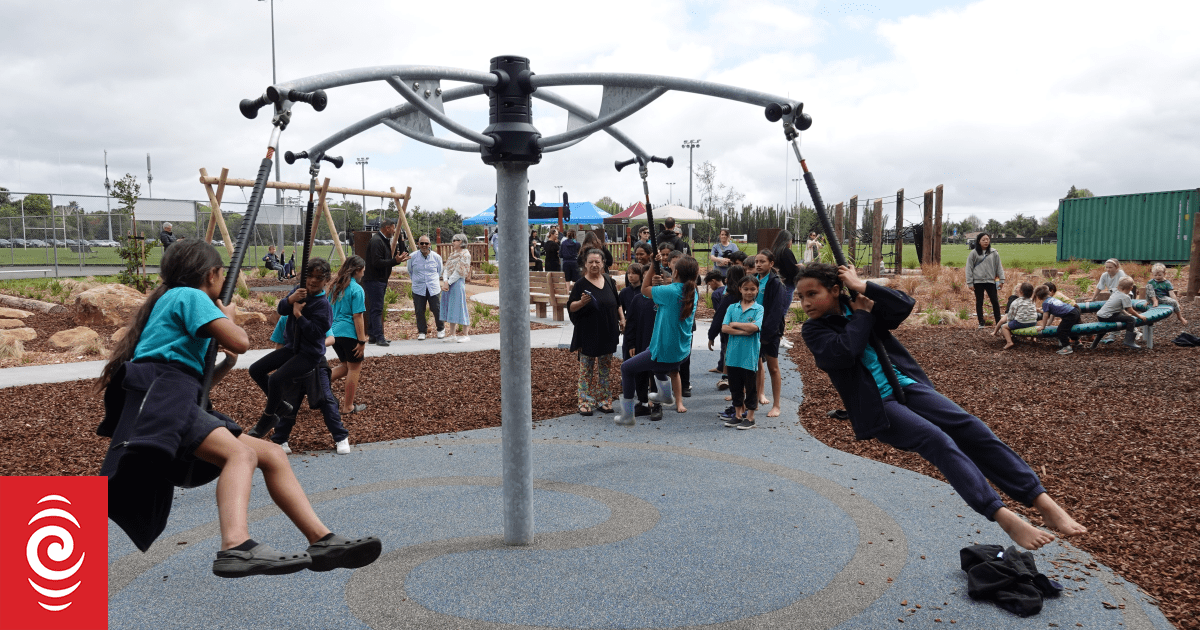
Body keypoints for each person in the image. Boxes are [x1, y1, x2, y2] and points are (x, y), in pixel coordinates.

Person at [95, 239, 380, 575]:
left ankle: (322, 540)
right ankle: (235, 544)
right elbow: (242, 342)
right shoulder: (189, 295)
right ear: (213, 274)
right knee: (241, 455)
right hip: (164, 400)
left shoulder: (173, 300)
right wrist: (226, 317)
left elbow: (197, 385)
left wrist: (225, 365)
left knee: (271, 454)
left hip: (174, 399)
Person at [797, 262, 1087, 550]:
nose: (806, 302)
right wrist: (861, 315)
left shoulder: (859, 302)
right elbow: (844, 352)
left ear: (835, 290)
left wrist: (862, 286)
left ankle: (1041, 501)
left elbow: (903, 305)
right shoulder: (815, 330)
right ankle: (1004, 517)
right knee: (936, 440)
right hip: (877, 406)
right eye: (801, 297)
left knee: (971, 427)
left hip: (906, 385)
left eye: (812, 294)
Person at [248, 258, 334, 439]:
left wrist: (298, 315)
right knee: (255, 369)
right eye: (309, 276)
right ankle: (280, 405)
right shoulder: (299, 291)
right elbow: (281, 309)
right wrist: (290, 300)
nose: (313, 281)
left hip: (309, 354)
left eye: (319, 278)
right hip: (292, 348)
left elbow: (316, 333)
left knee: (275, 380)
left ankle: (268, 418)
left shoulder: (323, 305)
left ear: (326, 280)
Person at [613, 256, 699, 426]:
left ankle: (627, 415)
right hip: (680, 352)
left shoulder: (671, 291)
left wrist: (653, 265)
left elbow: (644, 289)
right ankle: (666, 395)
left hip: (663, 351)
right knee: (655, 364)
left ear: (675, 273)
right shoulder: (692, 291)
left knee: (627, 368)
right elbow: (665, 292)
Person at [267, 316, 350, 454]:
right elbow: (279, 345)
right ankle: (280, 440)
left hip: (316, 363)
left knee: (326, 399)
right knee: (288, 402)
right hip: (292, 364)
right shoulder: (285, 318)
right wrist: (279, 369)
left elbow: (331, 338)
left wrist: (315, 345)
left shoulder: (318, 313)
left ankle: (341, 437)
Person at [568, 249, 622, 416]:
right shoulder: (580, 284)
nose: (594, 265)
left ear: (603, 263)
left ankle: (605, 400)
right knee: (586, 370)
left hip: (608, 331)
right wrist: (581, 302)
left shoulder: (608, 280)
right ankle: (584, 401)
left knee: (605, 370)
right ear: (585, 264)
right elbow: (571, 307)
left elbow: (617, 302)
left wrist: (622, 319)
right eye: (590, 262)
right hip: (588, 334)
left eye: (597, 262)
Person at [721, 275, 764, 429]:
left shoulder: (759, 308)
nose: (749, 292)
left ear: (757, 290)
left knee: (751, 387)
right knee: (735, 386)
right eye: (745, 289)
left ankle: (750, 418)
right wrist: (743, 331)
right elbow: (724, 327)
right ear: (740, 289)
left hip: (749, 356)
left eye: (752, 289)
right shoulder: (732, 307)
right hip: (733, 355)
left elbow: (755, 327)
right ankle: (738, 414)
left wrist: (736, 324)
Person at [327, 256, 369, 415]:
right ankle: (348, 406)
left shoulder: (335, 287)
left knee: (345, 367)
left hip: (334, 333)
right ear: (357, 270)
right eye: (363, 271)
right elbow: (357, 316)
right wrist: (361, 340)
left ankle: (317, 382)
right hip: (349, 333)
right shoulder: (357, 289)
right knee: (354, 368)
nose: (363, 275)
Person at [751, 250, 789, 418]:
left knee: (773, 367)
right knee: (756, 365)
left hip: (769, 332)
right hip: (753, 330)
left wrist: (766, 334)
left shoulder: (775, 283)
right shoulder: (754, 280)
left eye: (762, 261)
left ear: (771, 263)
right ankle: (757, 396)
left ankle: (776, 405)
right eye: (756, 261)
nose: (758, 264)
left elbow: (776, 311)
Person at [364, 220, 408, 346]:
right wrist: (394, 261)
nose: (394, 231)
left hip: (379, 279)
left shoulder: (381, 240)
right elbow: (376, 262)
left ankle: (373, 335)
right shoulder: (377, 241)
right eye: (394, 229)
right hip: (375, 280)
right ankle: (379, 337)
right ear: (387, 228)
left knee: (375, 308)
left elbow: (389, 260)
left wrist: (400, 243)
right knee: (377, 309)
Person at [710, 266, 747, 396]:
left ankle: (735, 390)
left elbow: (718, 317)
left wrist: (711, 335)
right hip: (748, 334)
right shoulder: (748, 297)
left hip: (730, 334)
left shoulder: (729, 297)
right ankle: (746, 389)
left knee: (731, 359)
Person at [408, 235, 445, 340]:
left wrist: (433, 280)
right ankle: (422, 331)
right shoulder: (412, 257)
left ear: (430, 245)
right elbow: (410, 271)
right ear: (418, 244)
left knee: (437, 309)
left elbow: (439, 271)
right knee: (419, 310)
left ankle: (441, 329)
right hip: (418, 288)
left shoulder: (436, 257)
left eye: (426, 243)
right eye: (422, 243)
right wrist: (417, 280)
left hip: (433, 287)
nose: (424, 245)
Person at [1096, 276, 1147, 350]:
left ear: (1118, 286)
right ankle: (1128, 341)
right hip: (1107, 316)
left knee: (1120, 317)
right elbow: (1131, 310)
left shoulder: (1116, 292)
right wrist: (1140, 316)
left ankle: (1096, 341)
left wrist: (1126, 314)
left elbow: (1120, 308)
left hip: (1100, 315)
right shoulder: (1125, 297)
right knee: (1131, 320)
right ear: (1131, 288)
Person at [966, 232, 1005, 328]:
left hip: (991, 281)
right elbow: (969, 268)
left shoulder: (994, 252)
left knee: (995, 301)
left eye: (987, 239)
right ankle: (981, 322)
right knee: (979, 301)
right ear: (979, 241)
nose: (986, 241)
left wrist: (1001, 280)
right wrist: (970, 282)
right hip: (978, 281)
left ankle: (998, 322)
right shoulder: (973, 253)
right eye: (983, 240)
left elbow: (998, 266)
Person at [441, 233, 473, 343]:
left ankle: (466, 334)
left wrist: (448, 283)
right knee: (451, 307)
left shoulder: (465, 254)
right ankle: (452, 334)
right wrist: (445, 281)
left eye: (455, 240)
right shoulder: (453, 254)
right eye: (453, 240)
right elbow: (446, 268)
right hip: (448, 283)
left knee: (460, 306)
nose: (453, 242)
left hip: (457, 283)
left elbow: (459, 272)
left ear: (461, 241)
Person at [772, 230, 801, 350]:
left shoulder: (775, 251)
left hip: (779, 283)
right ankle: (778, 338)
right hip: (787, 284)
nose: (791, 242)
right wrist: (800, 267)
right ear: (787, 240)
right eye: (791, 240)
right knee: (782, 312)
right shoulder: (786, 252)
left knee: (779, 311)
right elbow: (792, 270)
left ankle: (778, 336)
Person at [1035, 284, 1081, 355]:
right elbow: (1050, 311)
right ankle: (1076, 341)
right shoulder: (1053, 299)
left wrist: (1043, 326)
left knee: (1061, 331)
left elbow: (1045, 315)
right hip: (1075, 311)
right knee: (1069, 328)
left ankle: (1067, 347)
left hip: (1069, 315)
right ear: (1049, 293)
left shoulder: (1045, 303)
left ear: (1039, 297)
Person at [999, 282, 1038, 350]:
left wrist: (1009, 322)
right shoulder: (1032, 301)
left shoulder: (1016, 301)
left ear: (1021, 292)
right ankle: (1032, 339)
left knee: (1004, 327)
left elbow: (1011, 315)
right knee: (1028, 319)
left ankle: (1009, 342)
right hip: (1033, 322)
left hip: (1021, 323)